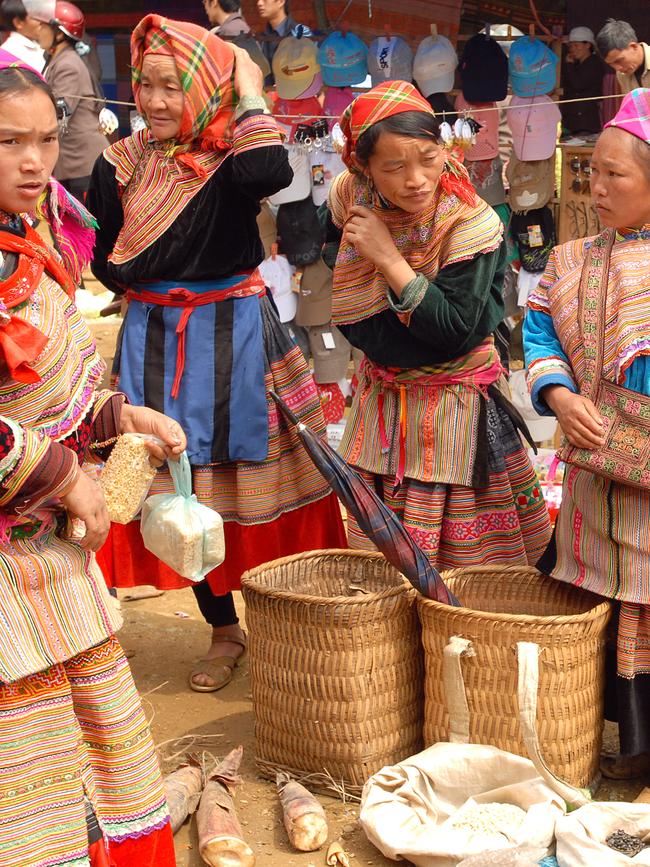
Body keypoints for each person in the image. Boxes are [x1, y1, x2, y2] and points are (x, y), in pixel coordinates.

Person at [88, 15, 346, 694]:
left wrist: (253, 87)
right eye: (145, 84)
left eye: (174, 86)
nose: (155, 99)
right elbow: (107, 261)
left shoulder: (235, 153)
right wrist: (157, 285)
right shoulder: (121, 162)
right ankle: (223, 627)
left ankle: (288, 625)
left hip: (235, 338)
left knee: (244, 486)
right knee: (180, 487)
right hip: (152, 340)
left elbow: (270, 168)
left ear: (206, 87)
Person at [0, 49, 180, 866]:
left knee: (98, 763)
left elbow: (51, 384)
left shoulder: (31, 243)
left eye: (46, 137)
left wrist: (117, 415)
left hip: (52, 565)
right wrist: (64, 474)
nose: (35, 161)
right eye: (9, 142)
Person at [322, 81, 551, 571]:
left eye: (429, 158)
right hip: (384, 403)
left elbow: (454, 330)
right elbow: (332, 240)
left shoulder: (470, 221)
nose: (418, 179)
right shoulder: (350, 193)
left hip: (455, 413)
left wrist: (387, 258)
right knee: (383, 569)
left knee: (469, 573)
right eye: (394, 167)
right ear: (364, 167)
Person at [523, 87, 650, 780]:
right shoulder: (568, 260)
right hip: (594, 480)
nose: (596, 187)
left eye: (615, 175)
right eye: (591, 173)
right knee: (605, 605)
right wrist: (561, 393)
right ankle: (620, 748)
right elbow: (539, 328)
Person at [37, 1, 109, 199]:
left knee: (86, 228)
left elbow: (59, 111)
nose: (39, 30)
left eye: (44, 26)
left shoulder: (67, 64)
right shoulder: (59, 59)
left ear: (59, 33)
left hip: (82, 163)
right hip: (73, 163)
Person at [561, 26, 605, 137]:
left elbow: (579, 85)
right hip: (574, 120)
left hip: (586, 120)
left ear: (588, 45)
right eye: (571, 46)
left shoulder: (594, 63)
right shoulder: (577, 64)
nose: (573, 49)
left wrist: (569, 66)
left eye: (576, 45)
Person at [596, 18, 650, 93]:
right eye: (611, 64)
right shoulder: (621, 74)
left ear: (633, 46)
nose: (618, 68)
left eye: (619, 61)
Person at [257, 0, 296, 85]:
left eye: (265, 0)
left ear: (281, 2)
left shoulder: (298, 35)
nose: (259, 3)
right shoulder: (262, 39)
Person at [1, 0, 45, 71]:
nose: (43, 22)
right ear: (18, 23)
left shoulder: (41, 44)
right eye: (37, 18)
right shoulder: (9, 52)